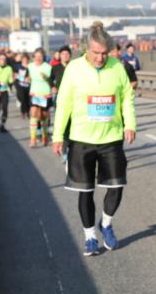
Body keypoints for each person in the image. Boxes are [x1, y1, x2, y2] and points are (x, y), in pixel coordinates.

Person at [51, 22, 136, 256]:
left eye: (104, 53)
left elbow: (127, 97)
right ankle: (90, 237)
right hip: (81, 139)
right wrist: (58, 135)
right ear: (86, 49)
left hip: (111, 138)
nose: (100, 58)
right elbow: (64, 103)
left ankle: (106, 223)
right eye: (96, 53)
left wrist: (130, 124)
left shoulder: (117, 67)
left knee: (116, 186)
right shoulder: (74, 69)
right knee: (85, 191)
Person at [28, 49, 52, 147]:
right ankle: (33, 139)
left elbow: (51, 80)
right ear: (33, 57)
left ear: (44, 57)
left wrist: (46, 77)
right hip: (34, 93)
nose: (38, 58)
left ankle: (45, 136)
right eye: (36, 56)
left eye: (40, 56)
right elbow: (28, 76)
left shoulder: (48, 67)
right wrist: (27, 78)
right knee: (33, 114)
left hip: (45, 94)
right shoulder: (30, 66)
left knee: (43, 116)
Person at [14, 54, 31, 119]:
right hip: (20, 85)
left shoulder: (30, 66)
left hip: (28, 85)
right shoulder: (18, 66)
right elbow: (14, 74)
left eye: (26, 59)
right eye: (23, 59)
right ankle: (23, 112)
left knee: (28, 99)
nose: (25, 60)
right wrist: (17, 75)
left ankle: (28, 112)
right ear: (21, 60)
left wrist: (29, 78)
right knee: (22, 98)